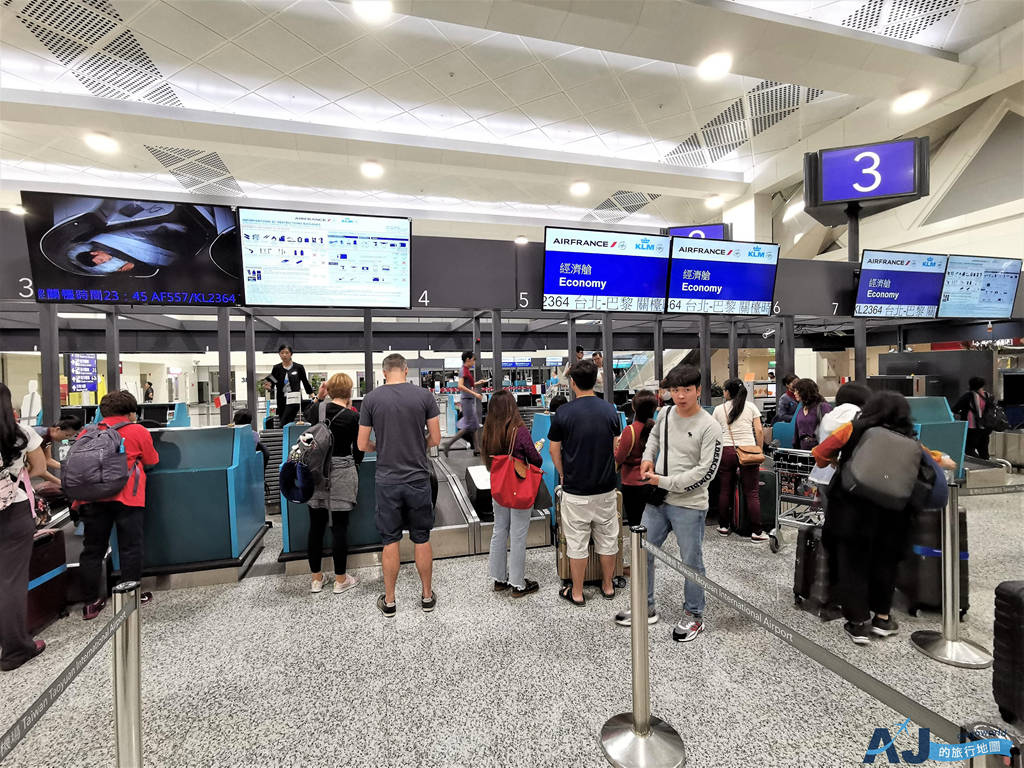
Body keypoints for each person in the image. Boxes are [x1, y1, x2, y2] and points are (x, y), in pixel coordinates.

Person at [813, 391, 956, 645]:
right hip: (894, 514)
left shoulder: (853, 429)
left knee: (852, 564)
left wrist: (836, 462)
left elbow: (820, 453)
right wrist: (945, 460)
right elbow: (934, 460)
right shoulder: (910, 440)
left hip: (852, 510)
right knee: (885, 562)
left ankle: (858, 624)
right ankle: (882, 619)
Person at [616, 365, 722, 643]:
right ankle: (645, 606)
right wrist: (648, 458)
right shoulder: (664, 414)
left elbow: (705, 473)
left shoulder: (710, 427)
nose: (680, 396)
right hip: (658, 500)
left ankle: (694, 614)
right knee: (642, 551)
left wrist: (663, 481)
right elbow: (653, 439)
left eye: (687, 389)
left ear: (698, 390)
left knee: (691, 561)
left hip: (689, 504)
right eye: (675, 390)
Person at [357, 354, 441, 617]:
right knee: (422, 538)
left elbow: (361, 444)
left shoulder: (371, 399)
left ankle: (390, 601)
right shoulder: (424, 396)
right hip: (418, 478)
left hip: (387, 480)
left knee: (390, 540)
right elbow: (435, 437)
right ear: (405, 370)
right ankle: (426, 596)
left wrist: (380, 447)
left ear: (384, 373)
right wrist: (417, 445)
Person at [78, 390, 159, 620]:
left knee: (93, 549)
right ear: (131, 413)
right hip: (127, 498)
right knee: (130, 547)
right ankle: (130, 596)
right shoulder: (137, 431)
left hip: (91, 498)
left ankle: (90, 603)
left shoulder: (87, 432)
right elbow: (152, 460)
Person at [547, 359, 621, 606]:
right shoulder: (610, 410)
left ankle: (577, 592)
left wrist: (563, 473)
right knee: (608, 538)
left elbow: (554, 450)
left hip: (576, 489)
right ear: (595, 381)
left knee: (577, 541)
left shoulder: (563, 413)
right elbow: (616, 446)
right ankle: (608, 586)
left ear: (573, 383)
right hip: (605, 487)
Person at [0, 383, 48, 671]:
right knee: (10, 581)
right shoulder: (21, 434)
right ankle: (15, 650)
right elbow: (39, 468)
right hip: (12, 511)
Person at [303, 374, 363, 595]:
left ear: (328, 391)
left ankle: (316, 579)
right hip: (342, 471)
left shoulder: (317, 411)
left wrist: (319, 397)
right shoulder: (352, 416)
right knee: (339, 527)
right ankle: (340, 580)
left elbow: (307, 416)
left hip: (316, 472)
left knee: (316, 526)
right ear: (349, 392)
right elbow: (359, 450)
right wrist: (355, 464)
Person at [481, 390, 543, 598]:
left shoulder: (489, 430)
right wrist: (534, 451)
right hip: (519, 487)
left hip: (499, 488)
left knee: (499, 530)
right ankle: (518, 583)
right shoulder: (519, 431)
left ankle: (499, 579)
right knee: (518, 535)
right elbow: (536, 460)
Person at [712, 378, 767, 541]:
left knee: (725, 490)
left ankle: (723, 526)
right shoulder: (751, 407)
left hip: (727, 450)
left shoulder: (719, 409)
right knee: (752, 492)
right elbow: (759, 430)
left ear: (728, 392)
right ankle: (757, 532)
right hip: (748, 451)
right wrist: (759, 450)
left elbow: (714, 432)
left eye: (724, 390)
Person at [615, 390, 658, 528]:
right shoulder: (655, 428)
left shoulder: (630, 430)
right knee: (649, 521)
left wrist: (616, 446)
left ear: (633, 407)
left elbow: (619, 457)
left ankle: (637, 542)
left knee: (635, 522)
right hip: (651, 481)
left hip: (631, 483)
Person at [442, 351, 488, 457]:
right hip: (467, 400)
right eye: (473, 359)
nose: (474, 362)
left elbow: (466, 385)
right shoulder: (463, 370)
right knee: (468, 426)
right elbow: (460, 386)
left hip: (469, 400)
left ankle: (477, 448)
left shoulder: (466, 370)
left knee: (474, 425)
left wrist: (478, 383)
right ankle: (448, 444)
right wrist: (475, 394)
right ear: (468, 359)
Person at [263, 344, 313, 427]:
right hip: (281, 399)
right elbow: (272, 382)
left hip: (294, 398)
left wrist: (311, 394)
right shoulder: (276, 368)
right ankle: (286, 432)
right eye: (282, 353)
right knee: (284, 418)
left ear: (291, 354)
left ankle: (283, 429)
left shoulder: (298, 367)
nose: (284, 355)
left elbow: (305, 382)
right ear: (279, 354)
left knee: (285, 421)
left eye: (287, 353)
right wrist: (268, 387)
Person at [32, 415, 83, 486]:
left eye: (70, 436)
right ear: (57, 429)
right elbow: (40, 469)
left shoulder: (48, 437)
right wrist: (61, 483)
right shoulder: (39, 436)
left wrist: (68, 467)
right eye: (67, 435)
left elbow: (47, 459)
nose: (67, 438)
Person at [953, 377, 995, 460]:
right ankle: (986, 465)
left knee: (969, 449)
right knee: (984, 451)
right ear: (982, 385)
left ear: (970, 385)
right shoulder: (989, 396)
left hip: (972, 428)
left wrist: (963, 412)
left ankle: (979, 463)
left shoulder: (969, 396)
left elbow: (955, 409)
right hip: (986, 428)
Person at [792, 378, 832, 449]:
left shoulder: (823, 407)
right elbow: (796, 433)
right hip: (803, 449)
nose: (794, 393)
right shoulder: (801, 409)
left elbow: (830, 430)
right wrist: (795, 448)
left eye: (797, 391)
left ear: (805, 392)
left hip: (820, 449)